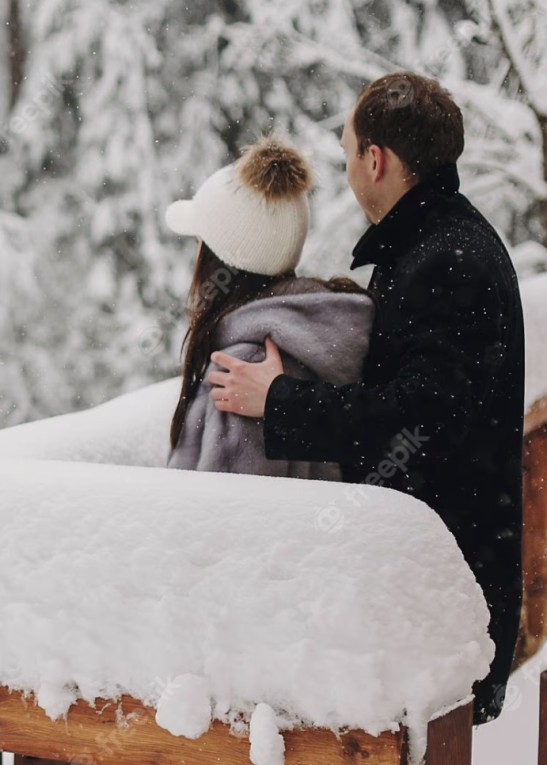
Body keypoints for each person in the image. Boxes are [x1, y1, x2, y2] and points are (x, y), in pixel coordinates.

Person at [206, 72, 525, 724]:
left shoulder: (447, 260)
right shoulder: (439, 243)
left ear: (375, 159)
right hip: (433, 592)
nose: (348, 166)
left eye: (349, 149)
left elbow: (420, 419)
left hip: (437, 603)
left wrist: (280, 401)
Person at [164, 137, 374, 478]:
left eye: (201, 244)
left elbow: (225, 518)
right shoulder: (303, 344)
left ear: (219, 261)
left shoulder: (243, 370)